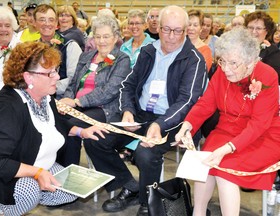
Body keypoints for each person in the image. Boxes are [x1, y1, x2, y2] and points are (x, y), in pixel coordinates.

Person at [85, 5, 207, 216]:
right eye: (166, 29)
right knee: (95, 138)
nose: (170, 36)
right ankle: (127, 185)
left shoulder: (194, 60)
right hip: (140, 114)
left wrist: (160, 124)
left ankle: (146, 200)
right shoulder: (148, 51)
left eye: (177, 30)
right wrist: (128, 111)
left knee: (146, 152)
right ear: (157, 28)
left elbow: (187, 101)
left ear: (186, 30)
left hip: (172, 120)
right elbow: (128, 85)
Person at [0, 41, 108, 215]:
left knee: (69, 190)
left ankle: (36, 191)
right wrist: (37, 173)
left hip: (38, 164)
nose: (57, 77)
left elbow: (56, 124)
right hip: (6, 176)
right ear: (28, 77)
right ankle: (1, 207)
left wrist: (81, 131)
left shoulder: (44, 97)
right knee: (28, 192)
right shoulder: (7, 107)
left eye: (56, 70)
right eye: (50, 73)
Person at [175, 28, 280, 215]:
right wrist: (188, 125)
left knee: (225, 170)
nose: (225, 68)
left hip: (263, 135)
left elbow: (259, 124)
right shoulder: (222, 73)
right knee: (204, 163)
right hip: (227, 129)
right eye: (222, 61)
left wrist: (228, 148)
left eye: (233, 63)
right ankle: (198, 212)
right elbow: (206, 104)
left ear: (250, 62)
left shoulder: (267, 75)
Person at [57, 16, 131, 166]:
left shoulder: (122, 59)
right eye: (98, 36)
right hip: (77, 106)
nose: (101, 41)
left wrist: (76, 101)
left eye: (106, 36)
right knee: (54, 121)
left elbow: (109, 91)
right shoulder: (86, 56)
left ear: (116, 37)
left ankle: (69, 173)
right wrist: (66, 101)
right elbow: (72, 84)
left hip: (103, 109)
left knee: (70, 126)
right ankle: (56, 170)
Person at [34, 4, 82, 99]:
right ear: (34, 23)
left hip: (61, 98)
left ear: (56, 23)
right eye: (42, 20)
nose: (47, 23)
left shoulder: (70, 46)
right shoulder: (31, 48)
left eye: (51, 20)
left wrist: (47, 87)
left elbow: (74, 79)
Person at [245, 11, 280, 83]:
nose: (254, 32)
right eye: (250, 27)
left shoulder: (273, 52)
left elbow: (273, 77)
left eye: (258, 28)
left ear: (267, 31)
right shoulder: (238, 48)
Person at [0, 6, 19, 94]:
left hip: (7, 96)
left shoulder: (20, 48)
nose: (3, 29)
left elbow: (18, 78)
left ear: (13, 27)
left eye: (7, 25)